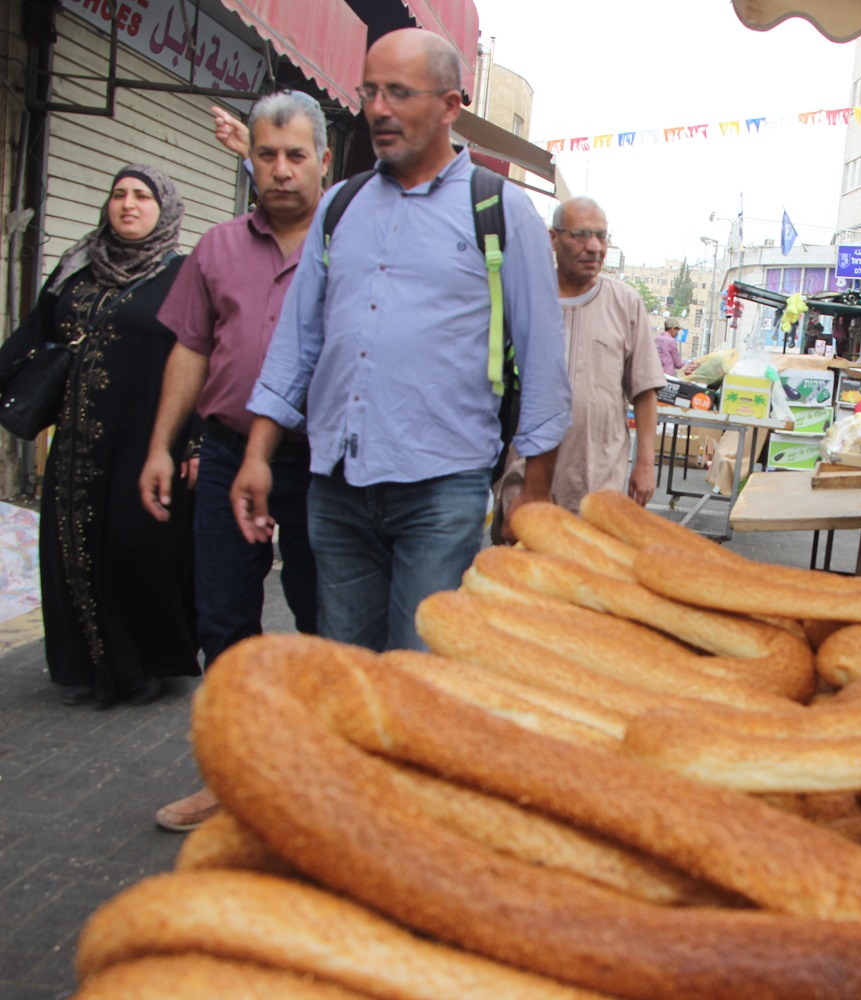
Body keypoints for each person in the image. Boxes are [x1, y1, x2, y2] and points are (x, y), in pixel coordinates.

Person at [231, 28, 571, 653]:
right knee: (351, 669)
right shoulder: (340, 206)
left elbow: (545, 359)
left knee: (419, 673)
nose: (378, 109)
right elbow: (297, 342)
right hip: (337, 486)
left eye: (399, 92)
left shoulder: (499, 210)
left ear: (450, 106)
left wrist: (536, 492)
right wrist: (257, 453)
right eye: (370, 91)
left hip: (441, 491)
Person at [141, 91, 329, 833]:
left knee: (326, 619)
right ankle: (231, 775)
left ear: (321, 162)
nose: (280, 171)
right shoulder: (215, 249)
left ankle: (318, 778)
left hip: (322, 466)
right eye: (266, 155)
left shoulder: (348, 241)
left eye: (295, 155)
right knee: (223, 619)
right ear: (247, 159)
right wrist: (162, 445)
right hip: (223, 456)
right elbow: (189, 348)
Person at [0, 166, 197, 707]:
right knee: (72, 547)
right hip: (75, 441)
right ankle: (89, 668)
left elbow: (204, 356)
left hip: (147, 439)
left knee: (134, 546)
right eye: (119, 195)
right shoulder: (76, 266)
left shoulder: (183, 276)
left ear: (165, 209)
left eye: (142, 196)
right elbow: (33, 334)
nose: (128, 205)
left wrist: (198, 439)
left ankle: (142, 666)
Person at [497, 197, 662, 517]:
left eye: (601, 236)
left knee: (590, 564)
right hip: (525, 475)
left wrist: (645, 464)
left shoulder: (625, 302)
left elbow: (645, 389)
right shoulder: (526, 298)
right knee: (524, 564)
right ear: (553, 239)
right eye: (581, 234)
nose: (594, 247)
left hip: (599, 478)